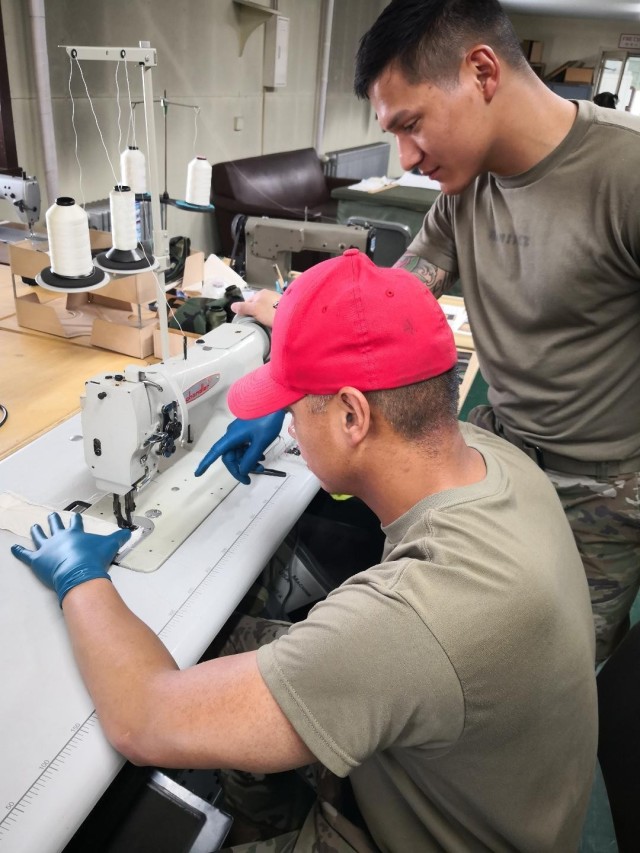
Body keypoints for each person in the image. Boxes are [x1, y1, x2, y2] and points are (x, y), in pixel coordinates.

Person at [13, 251, 597, 852]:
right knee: (237, 653)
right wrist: (293, 422)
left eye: (291, 407)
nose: (286, 422)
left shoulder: (413, 618)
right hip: (492, 791)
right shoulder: (495, 461)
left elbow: (144, 720)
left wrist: (80, 577)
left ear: (352, 414)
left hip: (420, 837)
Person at [208, 1, 640, 667]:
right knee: (451, 639)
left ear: (482, 72)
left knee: (547, 672)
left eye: (412, 126)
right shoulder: (466, 191)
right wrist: (294, 390)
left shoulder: (625, 174)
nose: (407, 156)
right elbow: (391, 300)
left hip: (603, 490)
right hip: (504, 449)